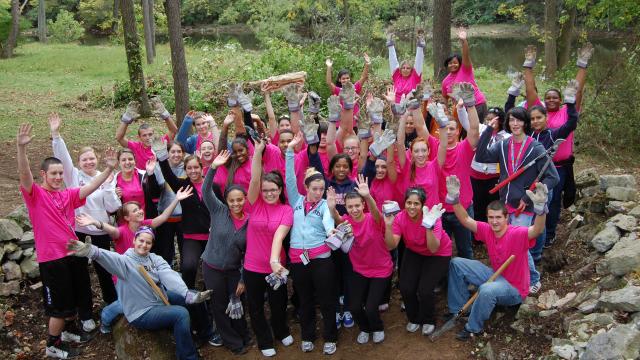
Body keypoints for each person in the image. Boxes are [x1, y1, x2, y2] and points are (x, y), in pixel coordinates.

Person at [17, 123, 116, 358]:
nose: (58, 177)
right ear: (44, 175)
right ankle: (52, 344)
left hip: (72, 253)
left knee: (73, 297)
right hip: (52, 259)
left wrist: (109, 169)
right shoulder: (36, 195)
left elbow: (90, 186)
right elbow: (24, 175)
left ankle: (69, 332)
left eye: (61, 173)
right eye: (53, 173)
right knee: (59, 307)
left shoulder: (67, 195)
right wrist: (21, 149)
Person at [66, 230, 214, 360]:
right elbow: (108, 257)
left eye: (148, 242)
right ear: (134, 240)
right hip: (142, 312)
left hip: (159, 299)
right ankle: (188, 356)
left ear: (152, 244)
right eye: (141, 241)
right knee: (181, 314)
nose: (144, 245)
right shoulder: (124, 262)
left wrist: (186, 293)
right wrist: (91, 251)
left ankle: (204, 333)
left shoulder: (154, 259)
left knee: (194, 296)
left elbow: (168, 274)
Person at [74, 184, 192, 334]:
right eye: (135, 210)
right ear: (127, 217)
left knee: (159, 293)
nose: (140, 211)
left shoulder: (146, 225)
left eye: (139, 208)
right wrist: (95, 222)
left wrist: (176, 199)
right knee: (123, 305)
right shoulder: (121, 232)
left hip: (144, 274)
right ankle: (105, 318)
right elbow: (110, 229)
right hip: (125, 277)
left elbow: (163, 217)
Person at [445, 175, 548, 341]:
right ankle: (459, 309)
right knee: (457, 263)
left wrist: (541, 209)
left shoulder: (517, 234)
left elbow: (537, 230)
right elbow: (465, 219)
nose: (494, 222)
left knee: (486, 289)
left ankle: (473, 327)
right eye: (491, 218)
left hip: (514, 289)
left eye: (498, 217)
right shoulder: (487, 230)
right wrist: (455, 200)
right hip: (496, 275)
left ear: (506, 218)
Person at [475, 106, 559, 294]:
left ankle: (533, 278)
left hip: (524, 207)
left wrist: (528, 198)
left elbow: (553, 177)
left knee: (519, 247)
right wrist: (489, 130)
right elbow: (481, 156)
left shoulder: (535, 147)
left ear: (525, 123)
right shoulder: (503, 145)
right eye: (512, 120)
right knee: (509, 244)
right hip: (505, 204)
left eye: (519, 120)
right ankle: (511, 276)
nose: (515, 124)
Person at [49, 113, 122, 327]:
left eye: (92, 158)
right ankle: (86, 314)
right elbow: (62, 158)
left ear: (97, 159)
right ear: (79, 162)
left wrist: (109, 186)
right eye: (84, 159)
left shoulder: (105, 176)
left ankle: (113, 306)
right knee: (80, 274)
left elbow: (113, 207)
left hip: (100, 232)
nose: (89, 162)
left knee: (105, 272)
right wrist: (56, 135)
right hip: (79, 232)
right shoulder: (73, 177)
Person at [522, 43, 592, 248]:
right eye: (548, 97)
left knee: (552, 201)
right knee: (533, 199)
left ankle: (549, 234)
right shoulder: (539, 113)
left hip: (559, 167)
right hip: (537, 166)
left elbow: (577, 92)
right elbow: (530, 91)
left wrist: (583, 65)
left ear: (561, 100)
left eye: (555, 97)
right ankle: (531, 232)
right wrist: (528, 66)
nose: (551, 100)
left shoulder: (566, 113)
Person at [275, 132, 338, 354]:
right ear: (307, 188)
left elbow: (328, 221)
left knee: (327, 299)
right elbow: (288, 178)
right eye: (315, 189)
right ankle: (308, 335)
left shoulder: (323, 207)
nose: (318, 192)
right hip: (298, 260)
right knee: (304, 300)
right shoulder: (296, 201)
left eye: (321, 189)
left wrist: (330, 227)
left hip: (321, 259)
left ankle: (331, 336)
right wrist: (290, 150)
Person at [328, 176, 393, 345]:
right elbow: (338, 220)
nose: (354, 209)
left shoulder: (373, 219)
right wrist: (332, 208)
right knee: (355, 306)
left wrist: (368, 196)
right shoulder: (347, 222)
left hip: (381, 269)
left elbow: (377, 214)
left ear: (363, 205)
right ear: (347, 208)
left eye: (357, 205)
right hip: (360, 270)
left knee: (371, 307)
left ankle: (377, 327)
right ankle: (365, 328)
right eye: (350, 207)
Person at [245, 137, 294, 357]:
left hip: (277, 267)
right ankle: (264, 340)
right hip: (253, 267)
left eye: (273, 190)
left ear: (280, 189)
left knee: (278, 304)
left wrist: (274, 261)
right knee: (255, 308)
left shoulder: (286, 210)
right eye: (266, 190)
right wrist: (257, 152)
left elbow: (279, 235)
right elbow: (255, 179)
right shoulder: (254, 203)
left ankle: (281, 329)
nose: (269, 193)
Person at [201, 150, 252, 355]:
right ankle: (232, 342)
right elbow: (205, 191)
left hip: (234, 270)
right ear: (226, 201)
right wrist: (213, 167)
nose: (236, 204)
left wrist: (242, 278)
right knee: (220, 305)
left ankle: (243, 333)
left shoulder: (250, 222)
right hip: (212, 267)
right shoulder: (218, 210)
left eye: (239, 200)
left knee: (237, 301)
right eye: (232, 200)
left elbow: (249, 253)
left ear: (245, 199)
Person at [384, 187, 451, 336]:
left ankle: (428, 319)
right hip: (414, 251)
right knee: (406, 287)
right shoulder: (400, 218)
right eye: (409, 202)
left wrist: (428, 226)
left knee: (425, 289)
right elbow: (391, 245)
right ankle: (414, 317)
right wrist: (388, 226)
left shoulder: (433, 217)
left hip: (438, 253)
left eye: (416, 204)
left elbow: (433, 248)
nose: (412, 207)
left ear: (422, 205)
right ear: (404, 203)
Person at [154, 138, 211, 289]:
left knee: (211, 268)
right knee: (188, 267)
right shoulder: (183, 186)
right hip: (191, 236)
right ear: (185, 171)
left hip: (211, 236)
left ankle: (211, 297)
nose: (193, 171)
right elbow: (167, 174)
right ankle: (189, 295)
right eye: (189, 168)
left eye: (196, 168)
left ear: (202, 168)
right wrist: (162, 157)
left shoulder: (210, 185)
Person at [437, 83, 481, 260]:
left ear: (457, 131)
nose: (448, 132)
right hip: (440, 209)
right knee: (442, 249)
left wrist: (470, 105)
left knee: (465, 249)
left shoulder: (465, 148)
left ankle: (469, 280)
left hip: (463, 207)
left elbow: (475, 128)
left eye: (452, 129)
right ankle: (443, 280)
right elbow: (420, 128)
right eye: (445, 128)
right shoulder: (435, 147)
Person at [469, 107, 510, 222]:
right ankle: (478, 235)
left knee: (493, 205)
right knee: (478, 205)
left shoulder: (507, 137)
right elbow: (466, 121)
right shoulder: (482, 129)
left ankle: (493, 231)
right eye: (488, 119)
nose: (490, 122)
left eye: (493, 119)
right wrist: (463, 108)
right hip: (475, 176)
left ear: (501, 120)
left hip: (494, 178)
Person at [115, 98, 178, 170]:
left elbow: (173, 131)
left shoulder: (160, 143)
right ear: (139, 137)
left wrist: (165, 115)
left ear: (154, 134)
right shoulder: (136, 147)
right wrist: (126, 119)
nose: (148, 137)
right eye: (144, 135)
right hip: (142, 178)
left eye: (150, 134)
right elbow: (119, 138)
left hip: (160, 178)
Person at [442, 29, 488, 121]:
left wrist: (464, 41)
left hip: (477, 105)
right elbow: (444, 97)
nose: (452, 65)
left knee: (476, 131)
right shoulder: (445, 81)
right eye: (450, 63)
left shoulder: (465, 70)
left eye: (455, 63)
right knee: (465, 133)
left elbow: (466, 55)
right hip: (461, 109)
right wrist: (446, 111)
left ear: (460, 63)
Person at [153, 141, 186, 264]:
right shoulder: (158, 167)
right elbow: (153, 190)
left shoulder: (187, 167)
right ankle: (167, 272)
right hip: (165, 215)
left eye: (179, 152)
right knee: (166, 250)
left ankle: (184, 275)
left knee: (185, 249)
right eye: (173, 151)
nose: (176, 154)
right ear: (167, 154)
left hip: (184, 216)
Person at [325, 54, 370, 124]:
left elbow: (363, 77)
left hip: (354, 122)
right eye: (343, 79)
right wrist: (329, 67)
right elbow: (329, 82)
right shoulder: (338, 91)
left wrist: (367, 64)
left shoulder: (355, 88)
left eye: (347, 78)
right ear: (339, 80)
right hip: (340, 123)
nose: (346, 80)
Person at [387, 31, 425, 103]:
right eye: (403, 68)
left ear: (411, 70)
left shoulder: (415, 77)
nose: (405, 69)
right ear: (400, 70)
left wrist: (420, 47)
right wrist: (390, 46)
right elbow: (393, 61)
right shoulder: (397, 76)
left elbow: (418, 62)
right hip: (396, 107)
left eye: (408, 68)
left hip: (410, 107)